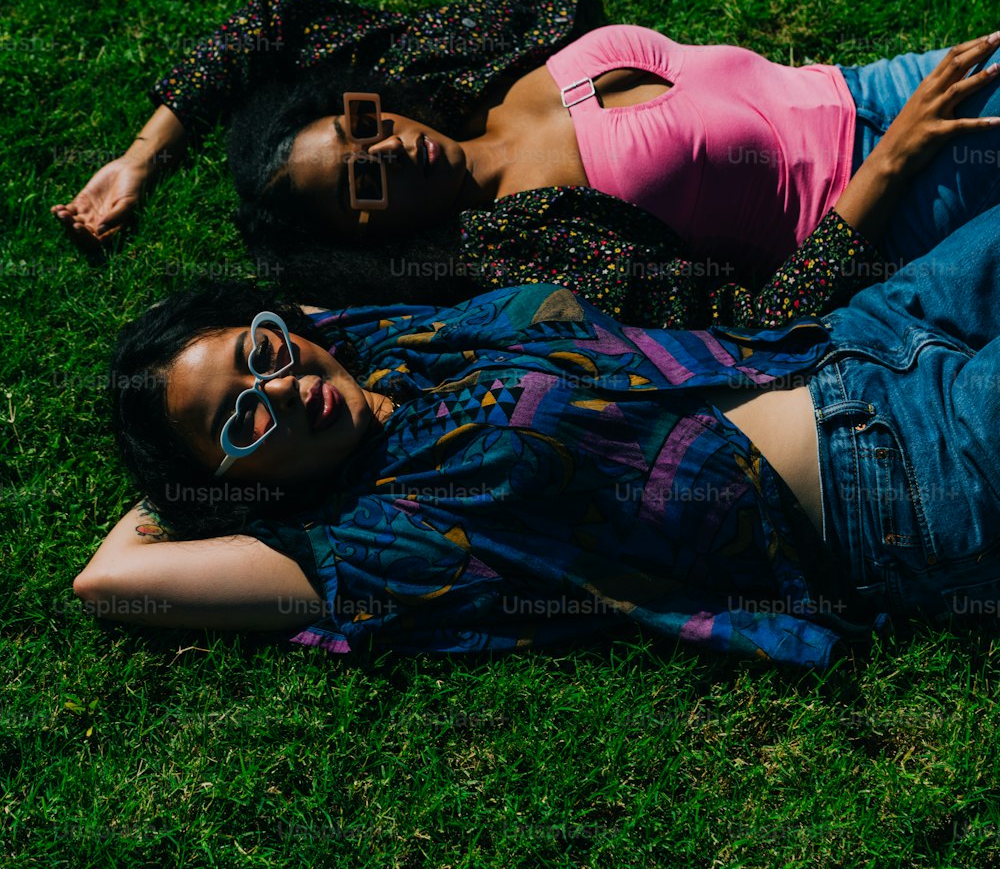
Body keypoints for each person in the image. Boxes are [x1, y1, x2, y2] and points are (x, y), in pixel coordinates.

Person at [75, 200, 1000, 669]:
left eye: (261, 353)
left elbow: (289, 326)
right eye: (241, 416)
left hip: (861, 336)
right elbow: (112, 578)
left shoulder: (395, 345)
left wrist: (259, 356)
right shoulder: (376, 538)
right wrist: (191, 483)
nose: (277, 387)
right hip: (907, 478)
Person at [52, 0, 1000, 326]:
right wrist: (891, 165)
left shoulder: (463, 69)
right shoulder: (529, 246)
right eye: (364, 186)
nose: (387, 151)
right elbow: (751, 321)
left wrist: (142, 156)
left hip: (882, 84)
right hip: (901, 202)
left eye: (359, 129)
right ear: (371, 236)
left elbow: (271, 26)